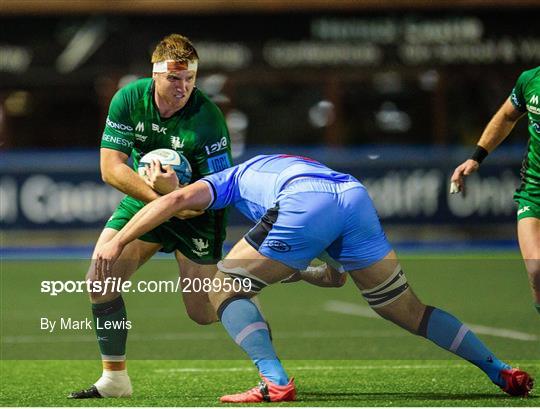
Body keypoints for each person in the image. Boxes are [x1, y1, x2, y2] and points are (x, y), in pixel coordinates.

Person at [95, 154, 534, 402]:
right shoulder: (272, 165)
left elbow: (174, 205)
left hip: (304, 204)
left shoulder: (225, 180)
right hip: (352, 195)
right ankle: (500, 371)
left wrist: (118, 241)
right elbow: (336, 279)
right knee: (406, 309)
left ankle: (273, 381)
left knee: (223, 284)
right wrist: (299, 269)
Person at [69, 34, 234, 399]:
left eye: (190, 78)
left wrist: (173, 195)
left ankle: (249, 286)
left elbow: (209, 199)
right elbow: (111, 168)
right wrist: (158, 196)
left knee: (204, 312)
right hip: (152, 197)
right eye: (175, 78)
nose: (184, 87)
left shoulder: (207, 120)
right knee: (99, 278)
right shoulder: (129, 98)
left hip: (196, 210)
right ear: (155, 74)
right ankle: (115, 379)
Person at [450, 66, 540, 316]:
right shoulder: (530, 80)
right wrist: (477, 157)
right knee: (536, 270)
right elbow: (507, 117)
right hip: (535, 188)